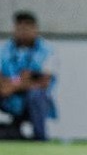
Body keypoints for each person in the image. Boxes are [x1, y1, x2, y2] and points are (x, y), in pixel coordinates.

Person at [0, 11, 58, 141]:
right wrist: (23, 80)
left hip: (32, 99)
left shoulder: (47, 51)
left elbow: (44, 82)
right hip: (9, 98)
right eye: (19, 28)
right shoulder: (4, 50)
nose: (23, 31)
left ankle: (40, 137)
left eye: (27, 27)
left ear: (35, 29)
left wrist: (14, 86)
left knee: (37, 94)